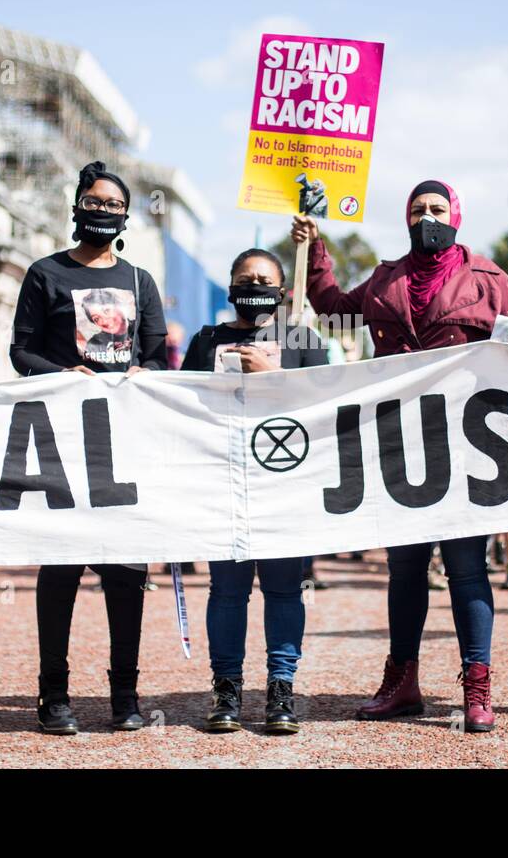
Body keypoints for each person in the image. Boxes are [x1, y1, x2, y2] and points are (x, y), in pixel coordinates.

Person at [291, 178, 508, 733]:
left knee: (467, 569)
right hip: (400, 442)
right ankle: (402, 683)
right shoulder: (385, 278)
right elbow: (332, 310)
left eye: (438, 209)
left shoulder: (490, 278)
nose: (428, 217)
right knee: (404, 569)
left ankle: (478, 687)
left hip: (467, 446)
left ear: (457, 217)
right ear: (407, 218)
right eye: (419, 210)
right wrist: (315, 247)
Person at [10, 160, 167, 734]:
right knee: (61, 573)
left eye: (113, 205)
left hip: (123, 448)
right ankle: (54, 697)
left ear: (126, 216)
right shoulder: (45, 274)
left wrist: (140, 375)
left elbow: (157, 358)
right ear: (76, 207)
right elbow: (20, 353)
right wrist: (61, 374)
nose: (103, 212)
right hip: (62, 444)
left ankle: (124, 697)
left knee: (127, 574)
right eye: (93, 202)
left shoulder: (138, 282)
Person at [181, 248, 328, 734]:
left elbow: (328, 405)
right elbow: (179, 405)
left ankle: (280, 690)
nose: (254, 285)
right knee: (226, 591)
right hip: (222, 482)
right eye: (245, 277)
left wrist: (274, 379)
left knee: (285, 590)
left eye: (265, 279)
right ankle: (226, 690)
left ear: (283, 291)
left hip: (285, 486)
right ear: (229, 286)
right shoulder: (206, 341)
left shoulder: (303, 341)